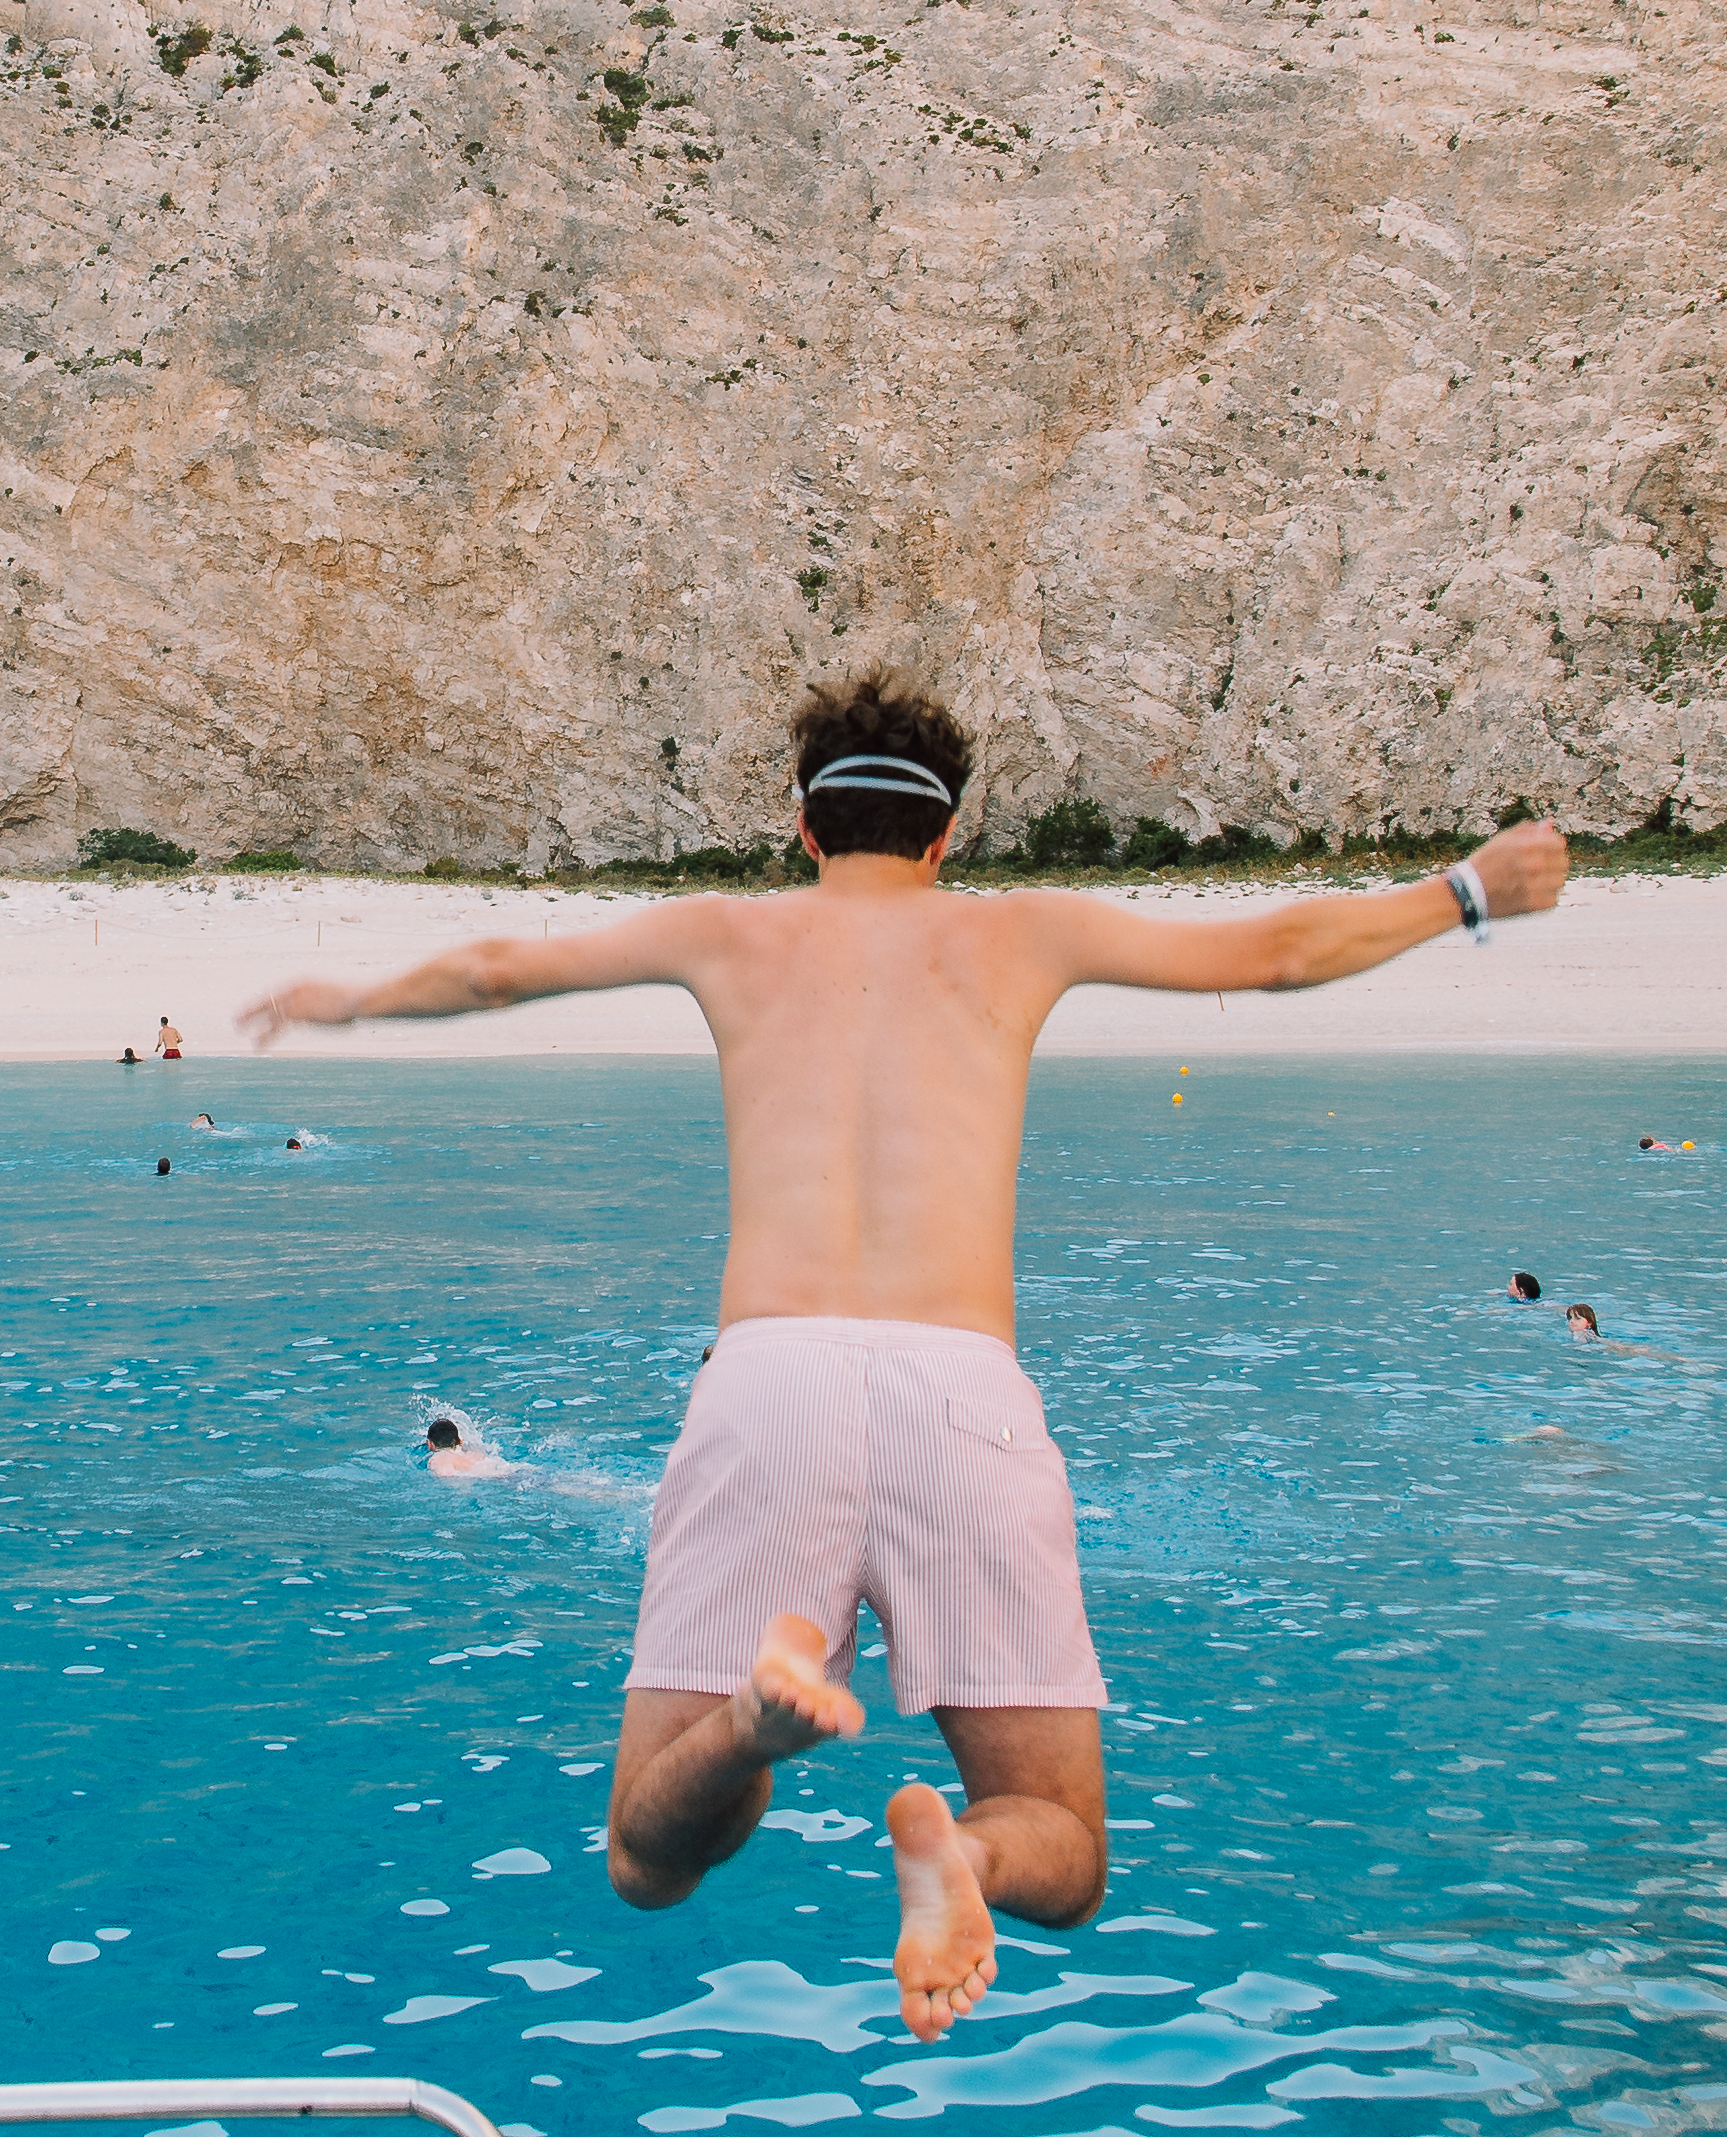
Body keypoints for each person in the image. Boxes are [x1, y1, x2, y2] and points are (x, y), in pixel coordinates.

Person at [245, 664, 1566, 2042]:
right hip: (961, 1386)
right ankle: (967, 1859)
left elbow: (495, 970)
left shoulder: (730, 936)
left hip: (766, 1382)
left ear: (803, 831)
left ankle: (756, 1732)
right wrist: (1464, 891)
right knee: (1062, 1838)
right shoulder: (1023, 936)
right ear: (950, 838)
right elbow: (1281, 952)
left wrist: (346, 1000)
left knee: (649, 1857)